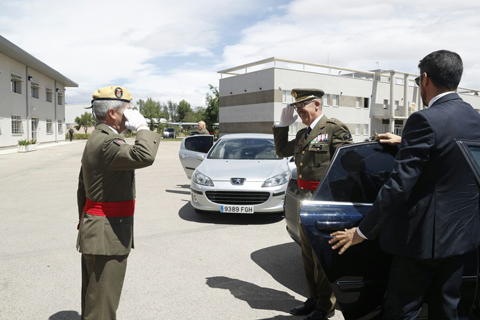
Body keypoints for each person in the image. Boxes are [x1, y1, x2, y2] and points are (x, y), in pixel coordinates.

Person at [329, 50, 480, 319]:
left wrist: (361, 232)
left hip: (421, 244)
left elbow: (398, 186)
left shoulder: (424, 120)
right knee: (449, 310)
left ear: (425, 79)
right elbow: (455, 156)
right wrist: (406, 143)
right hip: (462, 239)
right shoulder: (474, 120)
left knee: (402, 312)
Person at [76, 86, 161, 319]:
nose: (131, 116)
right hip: (106, 236)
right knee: (102, 308)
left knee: (94, 300)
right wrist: (142, 127)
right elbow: (145, 155)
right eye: (128, 111)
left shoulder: (98, 138)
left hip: (97, 230)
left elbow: (82, 186)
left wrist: (85, 220)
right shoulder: (107, 143)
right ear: (113, 113)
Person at [273, 88, 353, 320]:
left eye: (302, 107)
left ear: (317, 105)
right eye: (296, 109)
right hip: (304, 201)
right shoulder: (302, 134)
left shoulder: (333, 128)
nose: (298, 112)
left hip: (324, 201)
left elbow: (346, 167)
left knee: (323, 259)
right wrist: (282, 125)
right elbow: (280, 151)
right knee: (307, 256)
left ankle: (325, 307)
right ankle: (312, 299)